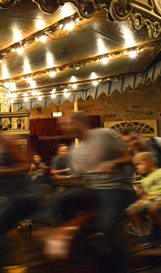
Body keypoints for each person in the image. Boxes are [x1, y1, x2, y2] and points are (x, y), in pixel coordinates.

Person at [55, 111, 135, 273]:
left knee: (104, 227)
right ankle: (77, 242)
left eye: (67, 123)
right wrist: (69, 181)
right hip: (94, 192)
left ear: (80, 122)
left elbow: (129, 158)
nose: (64, 128)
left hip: (117, 189)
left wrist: (114, 163)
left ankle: (118, 267)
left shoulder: (104, 135)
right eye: (62, 125)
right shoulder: (72, 151)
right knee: (59, 201)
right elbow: (82, 179)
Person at [0, 111, 47, 273]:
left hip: (22, 195)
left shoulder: (4, 141)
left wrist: (1, 172)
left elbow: (25, 165)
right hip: (6, 197)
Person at [126, 152, 161, 248]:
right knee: (130, 211)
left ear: (149, 163)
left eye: (139, 164)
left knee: (153, 209)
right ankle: (144, 236)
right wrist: (141, 201)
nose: (137, 167)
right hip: (150, 198)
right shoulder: (144, 181)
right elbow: (145, 195)